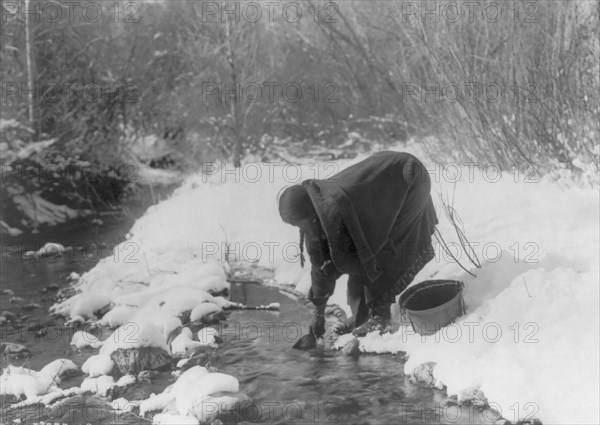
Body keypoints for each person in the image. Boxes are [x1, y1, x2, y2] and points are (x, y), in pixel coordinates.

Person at [278, 151, 438, 338]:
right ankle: (362, 316)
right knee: (359, 256)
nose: (298, 228)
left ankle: (380, 318)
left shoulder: (334, 210)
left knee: (379, 253)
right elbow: (321, 267)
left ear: (308, 213)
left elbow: (360, 260)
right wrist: (318, 314)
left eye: (298, 223)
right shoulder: (315, 216)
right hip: (383, 185)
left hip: (409, 178)